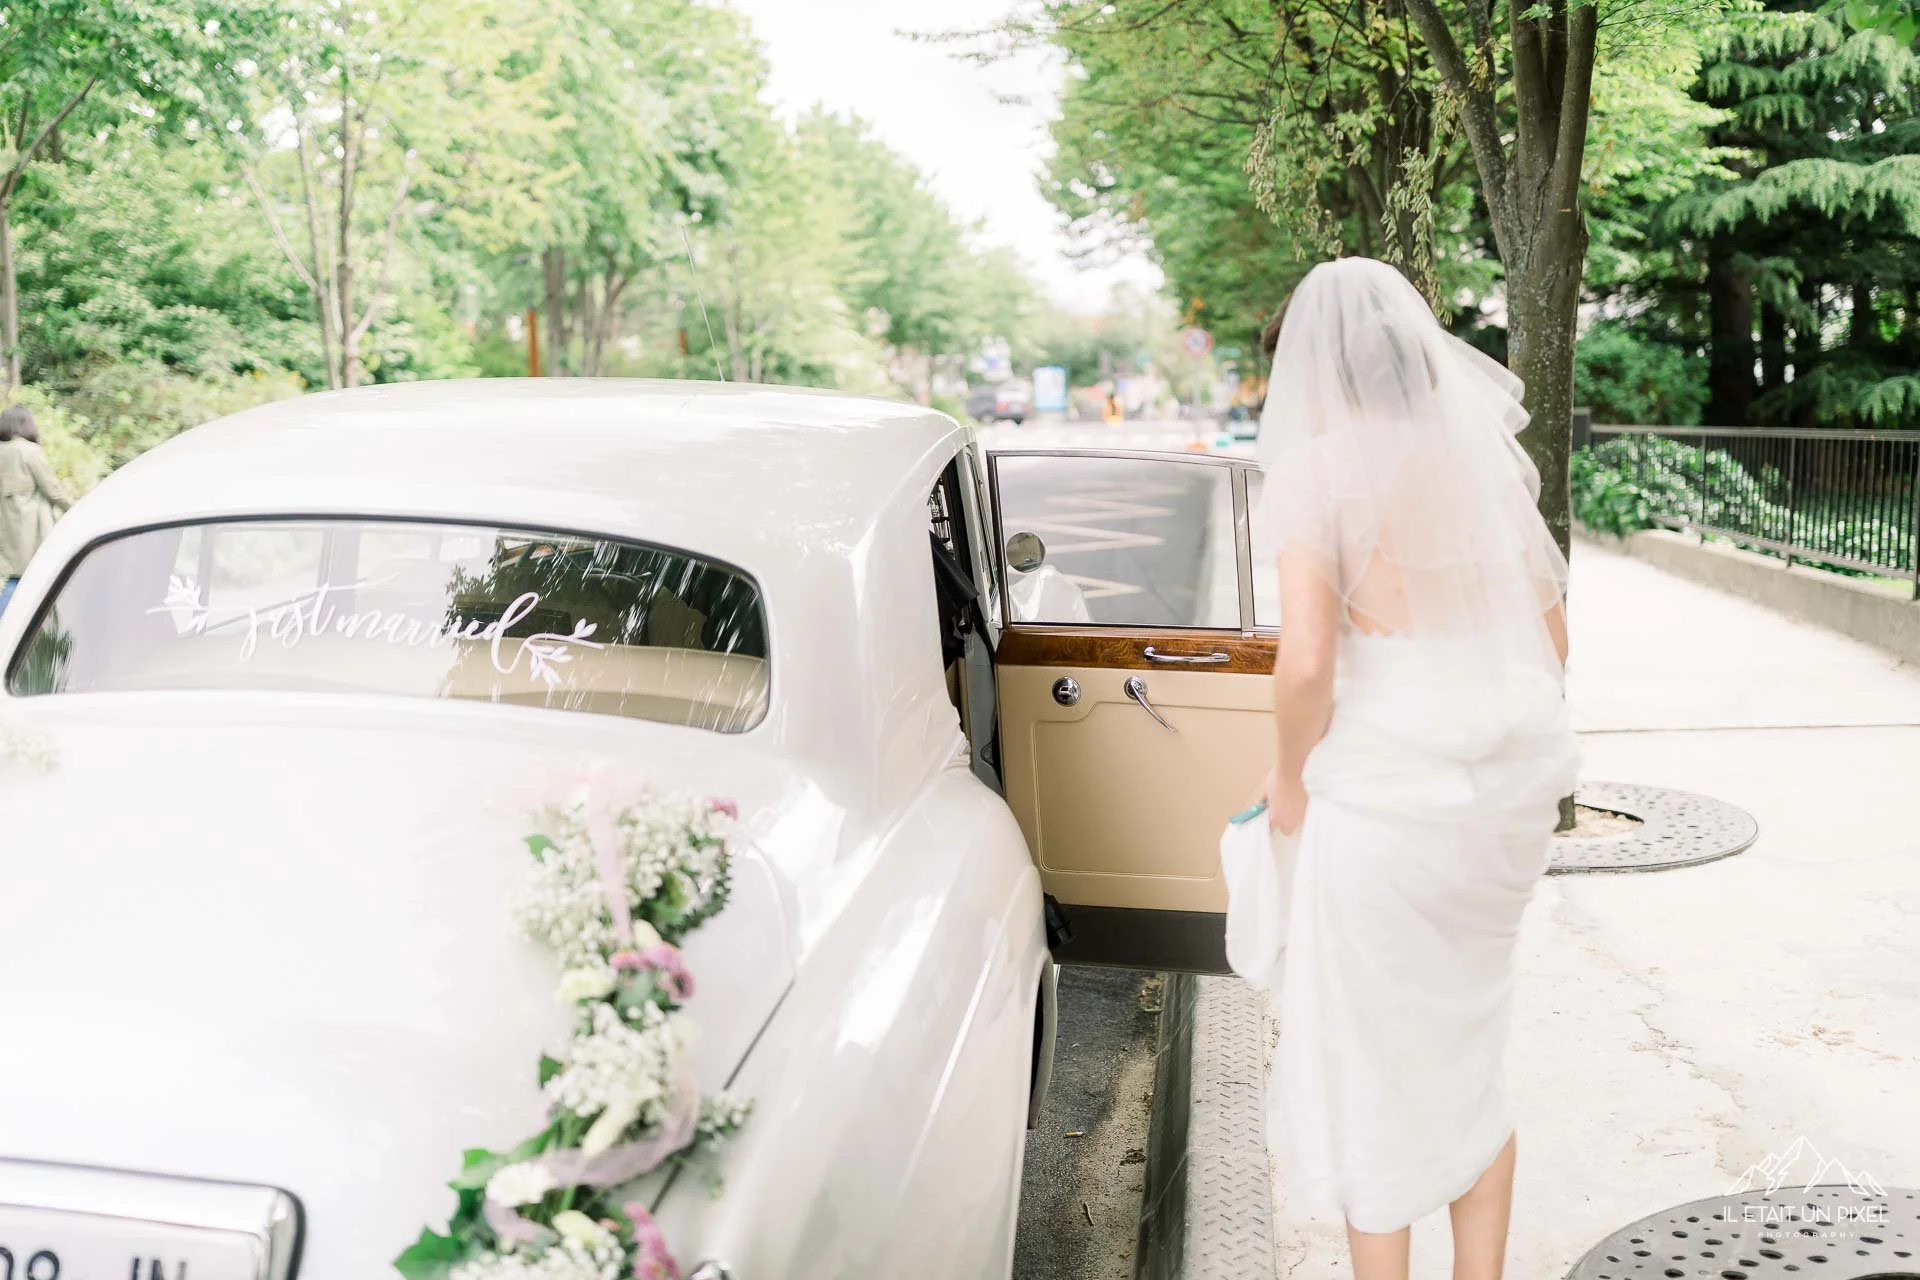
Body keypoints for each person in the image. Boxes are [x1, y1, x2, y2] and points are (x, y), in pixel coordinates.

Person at [1254, 258, 1578, 1280]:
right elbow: (1552, 643)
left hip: (1388, 813)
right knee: (1467, 1059)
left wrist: (1289, 777)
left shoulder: (1320, 471)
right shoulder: (1472, 455)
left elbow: (1305, 662)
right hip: (1499, 813)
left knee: (1374, 1073)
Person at [0, 404, 72, 617]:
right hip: (33, 529)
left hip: (8, 528)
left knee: (17, 578)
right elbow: (53, 490)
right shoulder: (29, 451)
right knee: (39, 577)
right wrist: (77, 508)